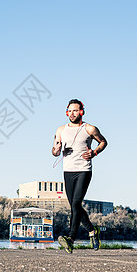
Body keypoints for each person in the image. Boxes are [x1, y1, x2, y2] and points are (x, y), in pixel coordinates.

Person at [52, 99, 107, 254]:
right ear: (66, 112)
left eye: (75, 110)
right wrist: (56, 150)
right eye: (69, 111)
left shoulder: (89, 128)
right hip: (67, 170)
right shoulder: (60, 130)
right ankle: (92, 230)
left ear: (82, 111)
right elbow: (54, 150)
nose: (72, 113)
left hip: (84, 169)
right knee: (74, 206)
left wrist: (94, 152)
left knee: (76, 203)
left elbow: (103, 142)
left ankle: (71, 239)